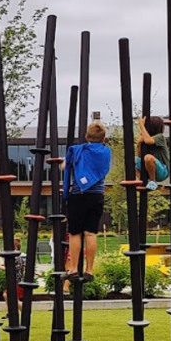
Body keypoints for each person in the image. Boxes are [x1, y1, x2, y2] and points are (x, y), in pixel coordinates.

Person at [62, 121, 111, 282]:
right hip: (97, 196)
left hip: (78, 194)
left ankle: (73, 269)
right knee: (91, 233)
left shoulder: (77, 151)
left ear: (86, 137)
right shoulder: (106, 152)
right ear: (104, 138)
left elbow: (65, 167)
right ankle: (89, 270)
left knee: (75, 233)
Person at [136, 115, 170, 191]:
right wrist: (138, 144)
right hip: (150, 169)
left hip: (162, 170)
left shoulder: (160, 137)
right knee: (132, 160)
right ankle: (142, 180)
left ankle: (153, 182)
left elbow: (148, 141)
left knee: (148, 157)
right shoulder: (146, 138)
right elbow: (140, 156)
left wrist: (141, 125)